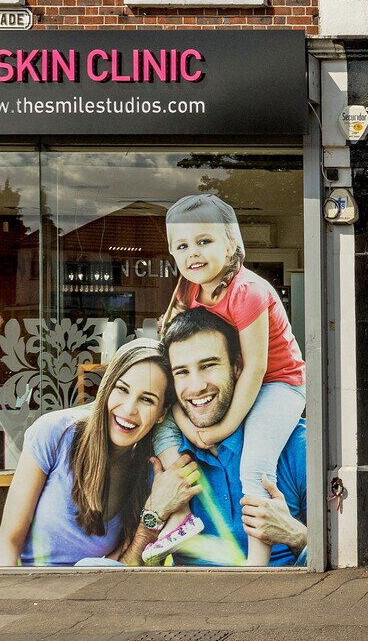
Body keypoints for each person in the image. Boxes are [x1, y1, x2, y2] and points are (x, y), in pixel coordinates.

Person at [148, 193, 306, 566]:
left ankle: (258, 560)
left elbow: (253, 368)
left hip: (280, 382)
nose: (193, 254)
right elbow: (173, 342)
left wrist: (220, 430)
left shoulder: (247, 291)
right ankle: (179, 519)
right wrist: (184, 419)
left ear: (231, 242)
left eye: (204, 241)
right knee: (162, 427)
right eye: (181, 246)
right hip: (242, 378)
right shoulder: (189, 287)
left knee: (255, 465)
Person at [0, 341, 187, 567]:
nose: (129, 409)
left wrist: (155, 512)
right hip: (31, 589)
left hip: (90, 591)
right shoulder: (54, 433)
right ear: (106, 388)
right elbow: (8, 540)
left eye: (147, 399)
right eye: (122, 389)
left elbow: (125, 564)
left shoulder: (149, 469)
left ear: (162, 413)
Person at [156, 306, 310, 566]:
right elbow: (128, 566)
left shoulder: (296, 445)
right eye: (182, 372)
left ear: (238, 367)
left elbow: (350, 567)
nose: (196, 386)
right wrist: (154, 512)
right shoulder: (165, 455)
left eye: (208, 365)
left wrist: (297, 536)